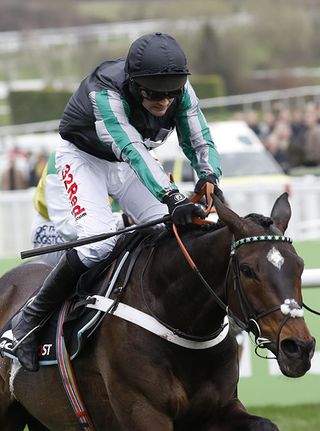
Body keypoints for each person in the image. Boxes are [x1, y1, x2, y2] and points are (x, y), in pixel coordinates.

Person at [9, 32, 222, 371]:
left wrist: (209, 176)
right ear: (135, 84)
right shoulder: (104, 93)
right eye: (155, 93)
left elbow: (199, 139)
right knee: (98, 244)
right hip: (85, 161)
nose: (165, 101)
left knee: (173, 231)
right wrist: (172, 196)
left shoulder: (180, 92)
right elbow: (132, 149)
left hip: (128, 163)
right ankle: (28, 323)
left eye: (172, 92)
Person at [31, 152, 132, 267]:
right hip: (54, 228)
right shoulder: (59, 160)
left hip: (101, 223)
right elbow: (69, 229)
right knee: (100, 249)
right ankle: (52, 285)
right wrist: (124, 220)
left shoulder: (125, 151)